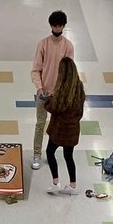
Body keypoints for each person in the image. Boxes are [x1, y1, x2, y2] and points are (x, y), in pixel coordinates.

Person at [30, 10, 75, 171]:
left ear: (63, 26)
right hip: (43, 94)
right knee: (40, 124)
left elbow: (69, 73)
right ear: (51, 25)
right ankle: (36, 154)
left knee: (56, 125)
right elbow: (35, 69)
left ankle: (51, 154)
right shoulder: (43, 44)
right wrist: (40, 88)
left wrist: (62, 92)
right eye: (55, 26)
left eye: (60, 26)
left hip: (59, 96)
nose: (57, 28)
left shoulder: (68, 46)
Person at [44, 57, 85, 196]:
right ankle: (73, 185)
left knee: (50, 152)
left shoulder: (61, 87)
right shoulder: (79, 86)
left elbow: (54, 107)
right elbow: (80, 111)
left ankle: (55, 182)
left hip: (59, 130)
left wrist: (47, 99)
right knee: (69, 156)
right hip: (72, 131)